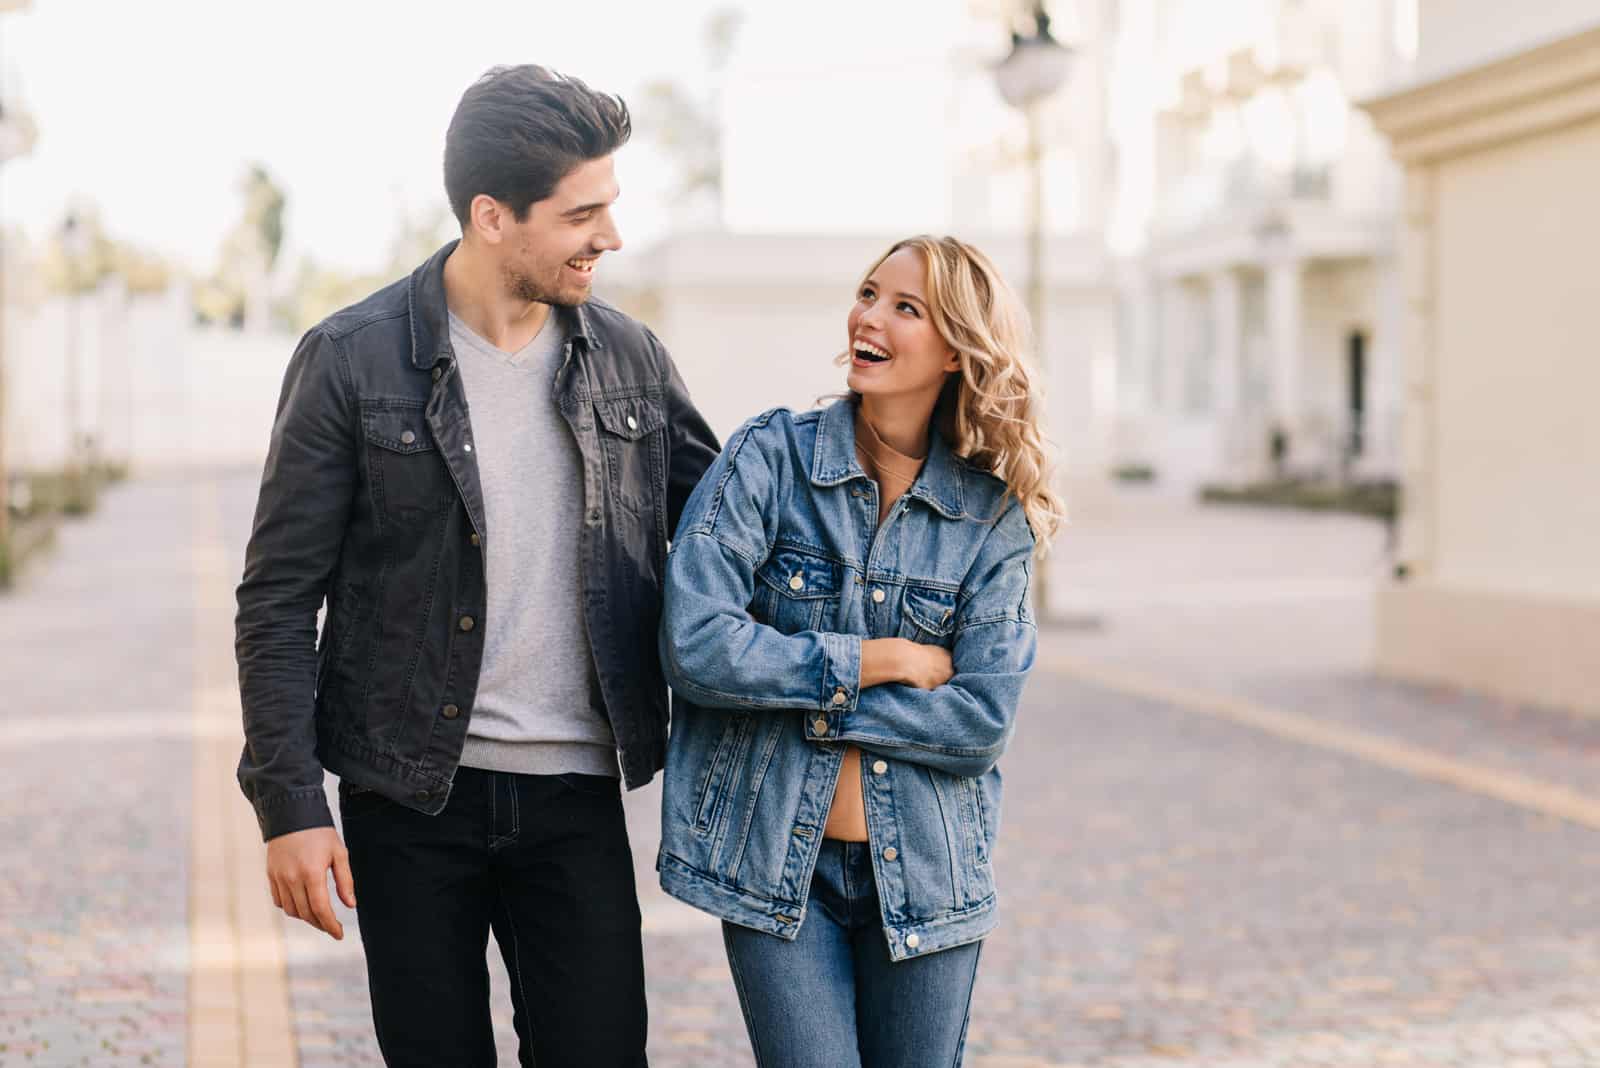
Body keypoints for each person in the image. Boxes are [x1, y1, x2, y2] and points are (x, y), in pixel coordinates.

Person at [234, 65, 719, 1067]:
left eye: (612, 207)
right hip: (408, 795)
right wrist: (289, 806)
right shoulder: (352, 359)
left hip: (577, 793)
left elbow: (733, 536)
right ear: (492, 216)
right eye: (583, 213)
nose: (611, 237)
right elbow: (279, 598)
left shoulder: (630, 361)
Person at [656, 235, 1063, 1067]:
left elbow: (980, 720)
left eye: (905, 308)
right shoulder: (770, 458)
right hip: (777, 875)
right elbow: (696, 644)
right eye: (869, 293)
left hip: (929, 877)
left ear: (956, 350)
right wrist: (878, 661)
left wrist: (789, 693)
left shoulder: (990, 521)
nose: (868, 317)